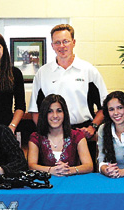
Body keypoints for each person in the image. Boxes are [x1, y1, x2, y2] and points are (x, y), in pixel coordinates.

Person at [28, 24, 108, 171]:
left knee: (83, 184)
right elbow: (35, 110)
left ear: (74, 42)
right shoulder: (43, 73)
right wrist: (45, 135)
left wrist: (93, 127)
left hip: (82, 136)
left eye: (65, 41)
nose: (62, 46)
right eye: (57, 42)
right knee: (52, 184)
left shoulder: (89, 70)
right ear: (52, 45)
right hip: (51, 138)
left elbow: (105, 107)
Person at [28, 94, 93, 176]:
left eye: (59, 111)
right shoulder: (36, 137)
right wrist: (51, 170)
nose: (55, 116)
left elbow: (89, 166)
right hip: (46, 184)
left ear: (64, 113)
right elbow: (31, 166)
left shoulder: (77, 135)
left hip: (72, 183)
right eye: (50, 111)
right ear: (44, 114)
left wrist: (69, 170)